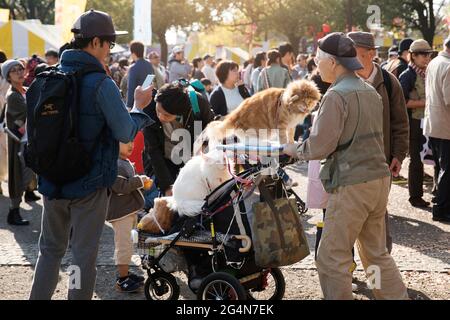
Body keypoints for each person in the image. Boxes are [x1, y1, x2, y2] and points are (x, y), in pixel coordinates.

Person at [29, 9, 154, 300]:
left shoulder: (49, 77)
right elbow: (124, 132)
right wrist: (138, 107)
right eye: (109, 43)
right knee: (82, 257)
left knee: (49, 251)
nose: (110, 50)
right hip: (88, 185)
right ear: (96, 42)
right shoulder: (101, 83)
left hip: (51, 181)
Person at [283, 32, 408, 300]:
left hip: (352, 185)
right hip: (378, 182)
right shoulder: (368, 91)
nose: (317, 65)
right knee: (375, 254)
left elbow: (319, 146)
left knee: (331, 257)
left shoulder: (336, 95)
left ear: (332, 62)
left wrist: (291, 149)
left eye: (318, 60)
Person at [348, 31, 410, 253]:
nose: (349, 57)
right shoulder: (344, 80)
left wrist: (398, 155)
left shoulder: (389, 82)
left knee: (378, 215)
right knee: (349, 217)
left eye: (353, 52)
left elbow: (401, 124)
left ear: (371, 53)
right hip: (350, 164)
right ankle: (350, 264)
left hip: (380, 162)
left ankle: (381, 266)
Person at [143, 81, 215, 197]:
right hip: (163, 160)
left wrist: (203, 146)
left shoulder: (199, 104)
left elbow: (211, 128)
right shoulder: (149, 108)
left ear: (179, 113)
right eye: (159, 111)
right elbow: (153, 150)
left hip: (190, 159)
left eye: (167, 115)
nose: (161, 117)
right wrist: (167, 186)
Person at [107, 140, 152, 292]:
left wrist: (140, 182)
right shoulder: (115, 163)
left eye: (132, 141)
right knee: (124, 245)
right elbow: (120, 187)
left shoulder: (123, 161)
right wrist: (139, 181)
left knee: (128, 243)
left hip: (128, 211)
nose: (131, 145)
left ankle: (125, 273)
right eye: (126, 142)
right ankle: (122, 279)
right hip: (121, 214)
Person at [2, 59, 40, 225]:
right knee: (19, 176)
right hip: (21, 143)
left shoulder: (25, 90)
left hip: (29, 140)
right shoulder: (13, 96)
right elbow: (28, 114)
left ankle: (24, 198)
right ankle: (13, 211)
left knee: (29, 173)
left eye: (20, 69)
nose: (19, 72)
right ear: (8, 76)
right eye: (14, 70)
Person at [399, 39, 434, 208]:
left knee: (434, 158)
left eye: (428, 54)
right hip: (414, 123)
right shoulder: (407, 75)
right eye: (421, 54)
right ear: (412, 56)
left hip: (429, 120)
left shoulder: (429, 72)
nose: (425, 58)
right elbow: (401, 102)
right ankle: (415, 196)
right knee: (416, 160)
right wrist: (425, 102)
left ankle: (436, 192)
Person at [424, 36, 450, 222]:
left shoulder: (434, 62)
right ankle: (441, 209)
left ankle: (440, 204)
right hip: (446, 125)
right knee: (447, 170)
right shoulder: (448, 66)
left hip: (433, 123)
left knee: (442, 168)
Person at [126, 41, 154, 109]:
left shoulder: (133, 68)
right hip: (149, 100)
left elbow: (131, 88)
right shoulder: (149, 65)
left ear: (133, 53)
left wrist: (129, 106)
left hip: (136, 104)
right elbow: (149, 82)